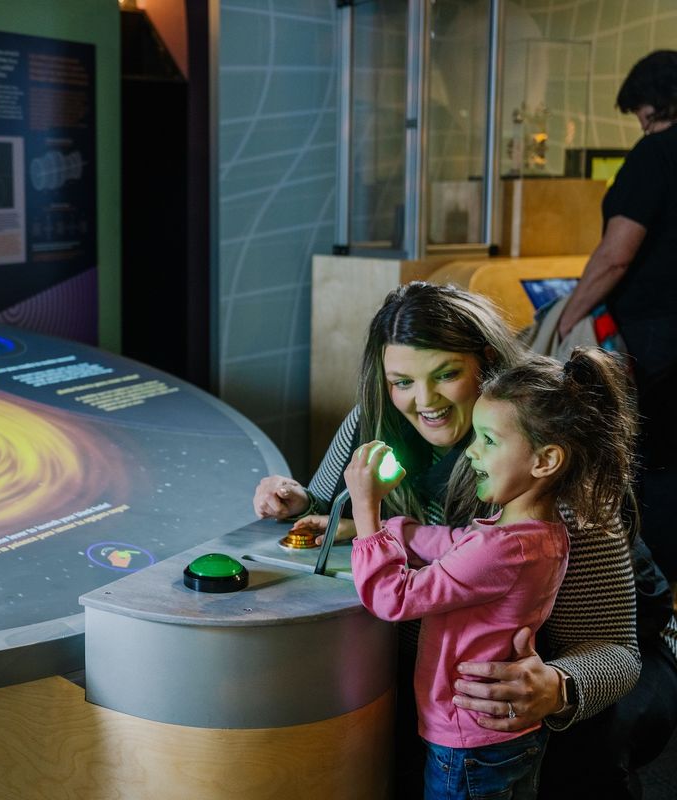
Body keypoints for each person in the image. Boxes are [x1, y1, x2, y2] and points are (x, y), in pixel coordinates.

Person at [253, 281, 677, 798]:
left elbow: (616, 651)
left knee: (582, 769)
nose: (424, 401)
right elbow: (331, 508)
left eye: (446, 374)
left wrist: (557, 687)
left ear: (488, 364)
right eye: (402, 381)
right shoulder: (374, 420)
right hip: (441, 680)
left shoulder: (551, 467)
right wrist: (299, 502)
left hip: (583, 663)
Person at [347, 348, 636, 799]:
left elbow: (393, 598)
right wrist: (393, 530)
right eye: (402, 381)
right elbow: (456, 542)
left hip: (466, 737)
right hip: (503, 736)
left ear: (545, 460)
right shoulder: (536, 533)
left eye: (488, 440)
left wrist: (366, 512)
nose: (471, 452)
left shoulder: (506, 546)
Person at [556, 50, 677, 584]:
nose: (640, 124)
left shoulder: (656, 154)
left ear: (655, 103)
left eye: (641, 113)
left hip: (656, 340)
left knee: (652, 461)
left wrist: (568, 318)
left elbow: (615, 256)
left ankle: (648, 592)